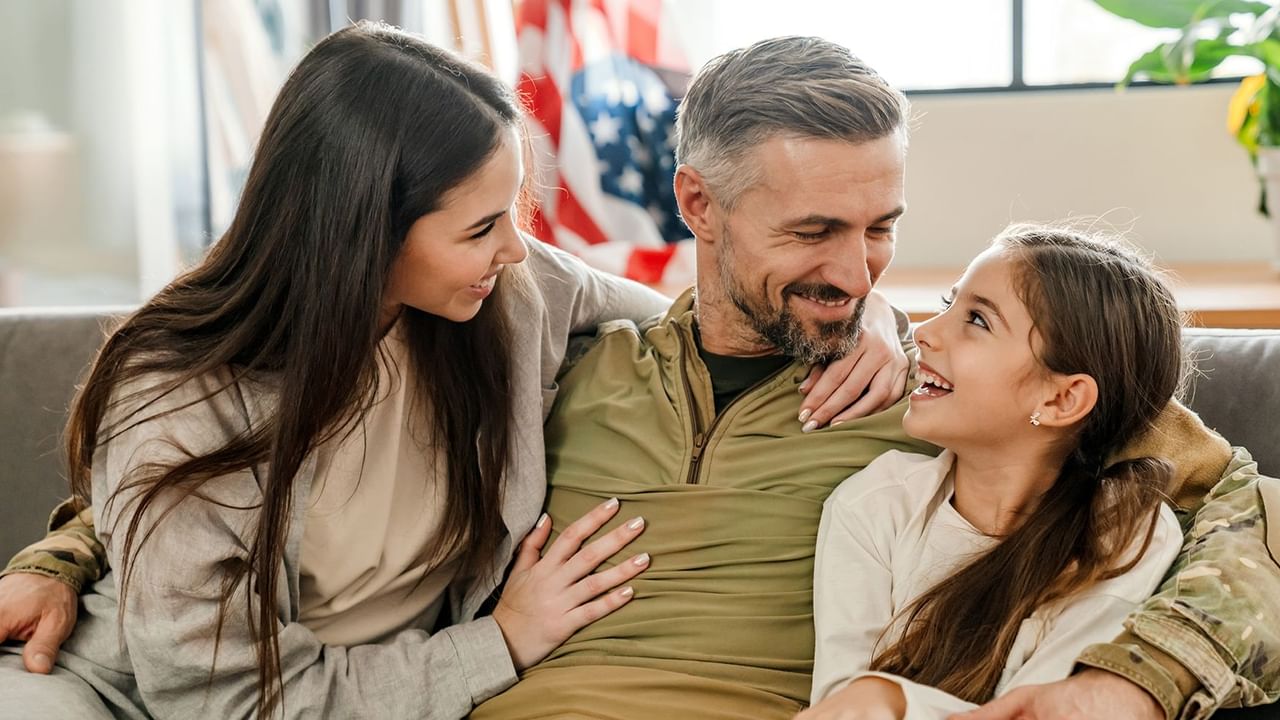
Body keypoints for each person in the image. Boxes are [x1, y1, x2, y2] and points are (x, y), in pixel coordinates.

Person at [7, 34, 1280, 720]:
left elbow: (1243, 504)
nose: (856, 273)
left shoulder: (953, 386)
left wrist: (1132, 681)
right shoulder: (542, 345)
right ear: (697, 206)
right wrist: (73, 550)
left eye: (882, 226)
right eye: (809, 237)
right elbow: (228, 444)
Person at [0, 24, 907, 720]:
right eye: (479, 228)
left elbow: (684, 316)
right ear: (364, 235)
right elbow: (225, 701)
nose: (518, 249)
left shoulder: (510, 299)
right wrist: (498, 643)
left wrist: (877, 317)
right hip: (121, 691)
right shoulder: (179, 392)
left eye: (512, 211)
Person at [803, 226, 1188, 720]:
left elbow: (1043, 710)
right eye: (948, 303)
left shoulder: (1124, 532)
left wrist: (891, 698)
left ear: (1060, 399)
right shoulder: (875, 503)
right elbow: (840, 706)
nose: (925, 331)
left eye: (977, 320)